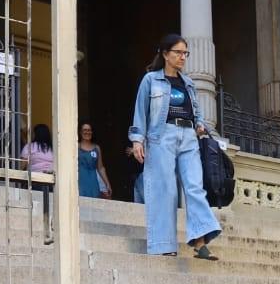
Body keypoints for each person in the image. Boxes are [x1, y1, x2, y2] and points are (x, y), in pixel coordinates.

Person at [128, 34, 222, 259]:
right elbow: (141, 111)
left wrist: (199, 125)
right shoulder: (151, 80)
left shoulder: (188, 83)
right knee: (165, 190)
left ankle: (200, 242)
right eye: (178, 52)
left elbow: (197, 113)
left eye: (185, 53)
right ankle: (163, 244)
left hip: (189, 136)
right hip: (162, 136)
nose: (183, 57)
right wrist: (137, 140)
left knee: (194, 187)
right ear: (165, 54)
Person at [22, 122, 55, 243]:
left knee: (38, 206)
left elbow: (23, 165)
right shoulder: (54, 148)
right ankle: (50, 230)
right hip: (52, 182)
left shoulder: (30, 147)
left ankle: (42, 231)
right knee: (51, 206)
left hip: (35, 181)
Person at [78, 121, 112, 199]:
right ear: (80, 132)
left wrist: (107, 183)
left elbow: (100, 168)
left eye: (89, 130)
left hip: (93, 182)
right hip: (81, 181)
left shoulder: (96, 148)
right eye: (85, 130)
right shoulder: (77, 147)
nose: (87, 132)